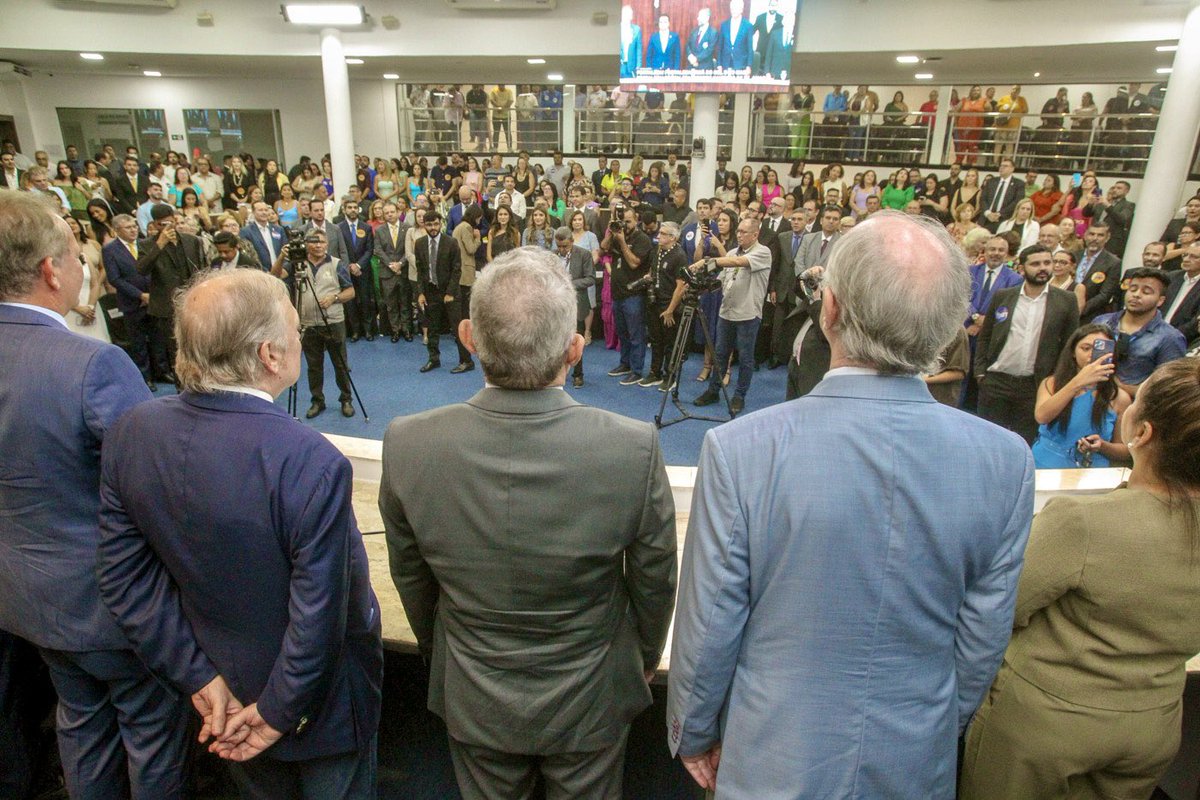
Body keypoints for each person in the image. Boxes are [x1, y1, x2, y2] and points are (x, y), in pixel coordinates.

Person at [667, 211, 1035, 798]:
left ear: (829, 307)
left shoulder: (743, 449)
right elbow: (979, 643)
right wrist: (930, 727)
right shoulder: (1006, 461)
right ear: (947, 330)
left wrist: (695, 730)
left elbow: (712, 625)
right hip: (917, 758)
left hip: (772, 754)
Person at [380, 247, 676, 800]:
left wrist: (443, 654)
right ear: (575, 348)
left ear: (467, 336)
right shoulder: (632, 448)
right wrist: (641, 660)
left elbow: (412, 578)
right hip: (592, 694)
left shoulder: (408, 442)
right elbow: (655, 582)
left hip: (474, 690)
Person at [97, 269, 383, 799]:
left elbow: (125, 583)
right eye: (296, 330)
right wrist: (276, 713)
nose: (302, 339)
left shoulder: (131, 433)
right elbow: (321, 612)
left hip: (220, 693)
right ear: (270, 355)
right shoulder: (308, 458)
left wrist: (200, 680)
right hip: (313, 710)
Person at [0, 191, 190, 798]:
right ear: (52, 271)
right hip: (114, 608)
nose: (88, 267)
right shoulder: (92, 365)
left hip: (27, 601)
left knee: (79, 726)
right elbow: (159, 486)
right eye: (80, 255)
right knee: (152, 736)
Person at [960, 357, 1200, 800]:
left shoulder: (1085, 522)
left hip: (1047, 727)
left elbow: (1004, 610)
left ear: (1141, 432)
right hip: (1154, 724)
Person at [975, 245, 1080, 444]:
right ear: (1022, 268)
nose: (1043, 268)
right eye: (1035, 264)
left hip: (1035, 386)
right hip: (996, 381)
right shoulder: (1003, 296)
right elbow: (985, 336)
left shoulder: (1066, 300)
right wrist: (980, 373)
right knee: (986, 441)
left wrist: (1056, 380)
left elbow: (1069, 345)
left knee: (1024, 443)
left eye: (1047, 263)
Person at [692, 216, 773, 415]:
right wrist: (701, 286)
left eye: (744, 232)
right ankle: (713, 391)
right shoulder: (730, 252)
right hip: (726, 312)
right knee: (719, 354)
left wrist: (707, 261)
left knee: (745, 358)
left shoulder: (763, 252)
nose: (739, 235)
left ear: (755, 234)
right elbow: (721, 279)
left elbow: (739, 262)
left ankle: (739, 396)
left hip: (747, 313)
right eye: (738, 231)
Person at [1029, 323, 1131, 469]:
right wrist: (1078, 382)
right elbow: (1042, 416)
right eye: (1085, 348)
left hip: (1090, 469)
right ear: (1073, 351)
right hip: (1046, 463)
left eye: (1099, 349)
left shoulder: (1119, 397)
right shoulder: (1051, 383)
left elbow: (1125, 450)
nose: (1091, 355)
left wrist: (1102, 446)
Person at [291, 229, 356, 418]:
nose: (318, 245)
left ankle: (346, 399)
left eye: (322, 242)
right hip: (308, 323)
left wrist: (334, 298)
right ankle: (317, 401)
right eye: (314, 242)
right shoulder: (298, 264)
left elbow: (350, 292)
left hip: (333, 321)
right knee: (314, 365)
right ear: (306, 244)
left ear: (327, 244)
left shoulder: (336, 264)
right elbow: (276, 273)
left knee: (340, 364)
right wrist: (282, 256)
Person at [1093, 269, 1188, 397]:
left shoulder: (1170, 338)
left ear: (1160, 300)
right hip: (1089, 395)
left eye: (1146, 291)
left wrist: (1116, 385)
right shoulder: (1101, 322)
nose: (1136, 295)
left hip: (1133, 408)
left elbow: (1167, 389)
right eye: (1132, 289)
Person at [414, 210, 472, 374]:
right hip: (430, 291)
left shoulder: (451, 242)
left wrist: (450, 293)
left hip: (451, 292)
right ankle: (434, 359)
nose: (433, 227)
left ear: (441, 224)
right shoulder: (419, 244)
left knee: (457, 328)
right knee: (432, 328)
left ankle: (466, 361)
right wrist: (420, 292)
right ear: (424, 225)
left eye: (436, 224)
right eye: (429, 224)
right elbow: (420, 270)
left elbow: (456, 270)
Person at [604, 204, 655, 385]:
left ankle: (637, 370)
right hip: (617, 293)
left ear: (636, 220)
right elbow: (604, 248)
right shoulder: (617, 234)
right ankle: (624, 363)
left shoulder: (643, 239)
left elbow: (634, 263)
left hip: (634, 294)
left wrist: (623, 241)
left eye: (628, 221)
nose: (625, 225)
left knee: (636, 334)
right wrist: (612, 232)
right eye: (622, 221)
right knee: (622, 332)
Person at [552, 228, 596, 388]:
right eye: (559, 246)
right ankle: (555, 372)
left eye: (565, 246)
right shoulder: (552, 255)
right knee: (555, 339)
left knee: (575, 339)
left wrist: (568, 283)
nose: (562, 250)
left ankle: (578, 374)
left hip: (576, 303)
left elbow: (590, 278)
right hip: (556, 303)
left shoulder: (584, 254)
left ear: (571, 241)